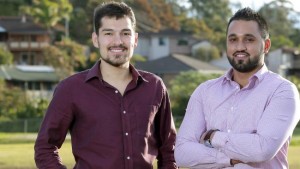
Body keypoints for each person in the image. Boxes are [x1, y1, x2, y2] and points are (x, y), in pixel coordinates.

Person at [34, 2, 177, 169]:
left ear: (135, 39)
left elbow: (169, 149)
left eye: (125, 33)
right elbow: (45, 148)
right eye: (108, 33)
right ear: (96, 39)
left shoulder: (154, 87)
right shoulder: (70, 89)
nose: (118, 41)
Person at [174, 7, 300, 169]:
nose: (240, 47)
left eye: (249, 39)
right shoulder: (205, 91)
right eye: (233, 39)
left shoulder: (282, 91)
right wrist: (229, 160)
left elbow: (262, 149)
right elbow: (182, 152)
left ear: (266, 45)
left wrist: (213, 137)